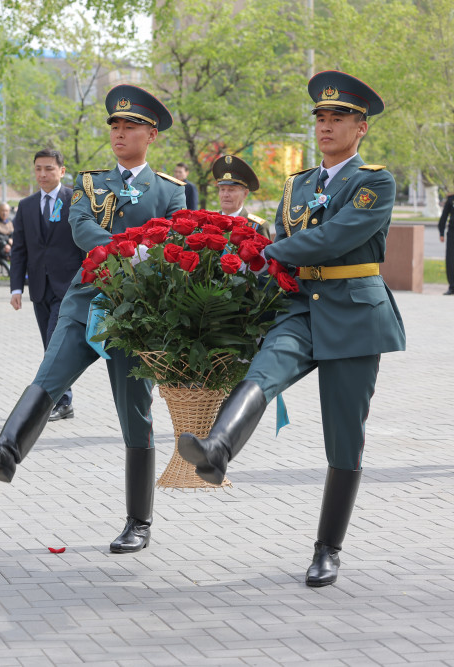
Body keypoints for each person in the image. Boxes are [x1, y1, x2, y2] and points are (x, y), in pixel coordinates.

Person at [177, 70, 406, 587]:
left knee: (344, 438)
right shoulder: (297, 184)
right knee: (265, 370)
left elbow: (335, 237)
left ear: (360, 127)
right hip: (301, 304)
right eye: (321, 118)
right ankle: (217, 449)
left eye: (338, 118)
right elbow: (287, 239)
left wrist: (265, 253)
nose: (326, 127)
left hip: (353, 312)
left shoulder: (374, 181)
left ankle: (328, 548)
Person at [0, 85, 186, 554]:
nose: (120, 133)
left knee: (135, 414)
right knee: (50, 374)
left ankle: (138, 522)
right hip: (87, 300)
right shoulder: (90, 183)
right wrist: (125, 247)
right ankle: (7, 450)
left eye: (130, 127)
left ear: (151, 134)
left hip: (137, 310)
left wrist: (145, 254)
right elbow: (82, 228)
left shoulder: (170, 191)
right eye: (115, 126)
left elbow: (177, 243)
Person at [9, 149, 84, 421]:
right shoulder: (26, 205)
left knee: (55, 344)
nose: (43, 174)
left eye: (49, 169)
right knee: (50, 346)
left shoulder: (76, 201)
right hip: (39, 287)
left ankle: (57, 401)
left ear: (62, 171)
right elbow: (19, 250)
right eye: (38, 168)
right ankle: (65, 402)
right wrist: (16, 288)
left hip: (69, 288)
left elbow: (84, 244)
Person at [211, 154, 273, 239]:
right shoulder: (209, 222)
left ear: (245, 193)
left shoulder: (257, 227)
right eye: (222, 189)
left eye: (231, 190)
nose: (225, 195)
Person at [438, 190, 454, 294]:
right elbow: (444, 217)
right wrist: (441, 232)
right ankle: (452, 286)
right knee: (451, 259)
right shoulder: (451, 199)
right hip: (452, 233)